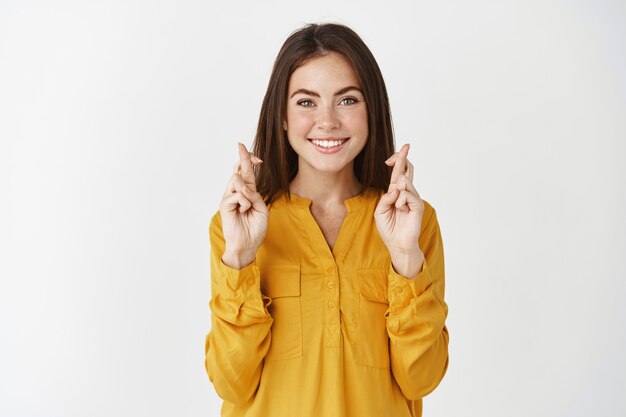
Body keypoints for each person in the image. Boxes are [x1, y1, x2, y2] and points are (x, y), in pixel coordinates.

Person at [204, 23, 449, 417]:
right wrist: (240, 258)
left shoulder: (414, 221)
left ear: (372, 111)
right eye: (306, 102)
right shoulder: (237, 225)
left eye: (348, 100)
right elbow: (231, 381)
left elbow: (422, 379)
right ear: (281, 117)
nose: (328, 121)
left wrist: (405, 258)